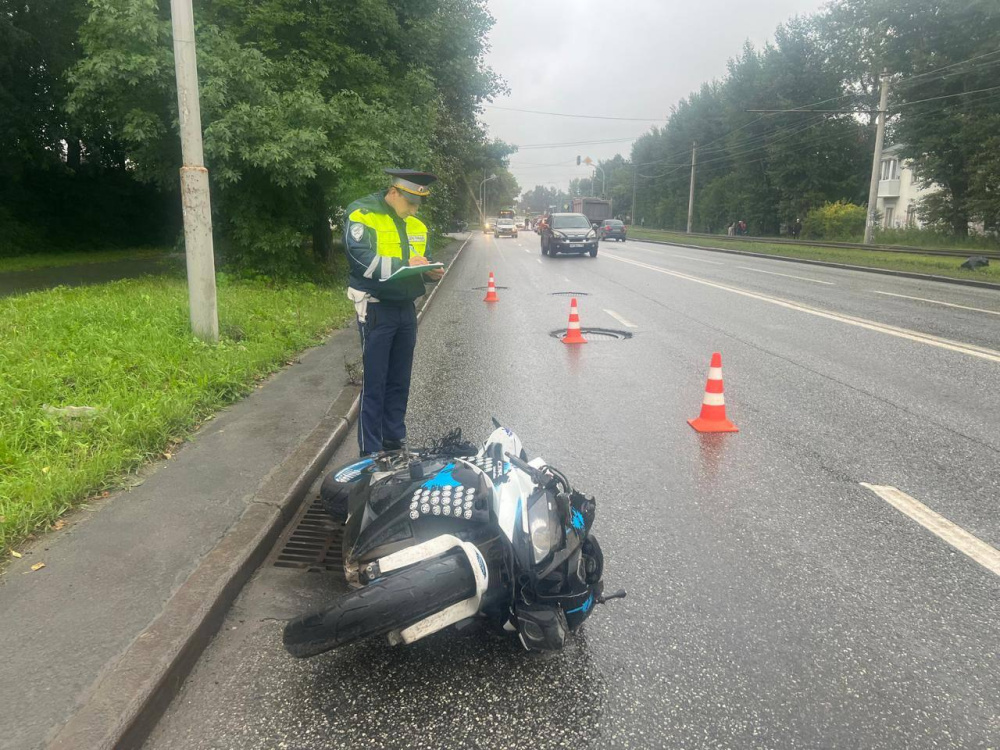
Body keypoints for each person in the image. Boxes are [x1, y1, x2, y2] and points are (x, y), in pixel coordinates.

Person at [343, 169, 444, 456]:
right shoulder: (362, 214)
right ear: (394, 192)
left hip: (405, 309)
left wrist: (430, 272)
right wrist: (404, 263)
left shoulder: (415, 225)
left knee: (400, 380)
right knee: (376, 381)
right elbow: (362, 260)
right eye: (410, 202)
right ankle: (371, 453)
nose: (413, 210)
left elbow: (416, 267)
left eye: (417, 204)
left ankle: (394, 441)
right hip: (376, 308)